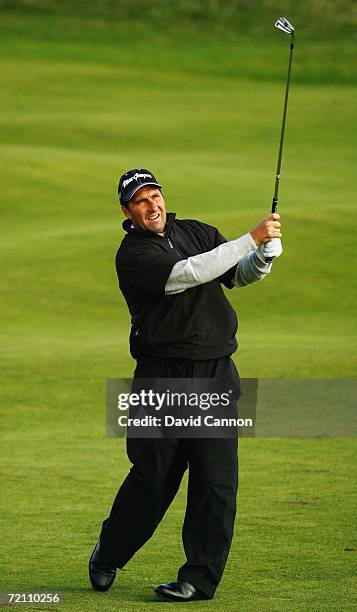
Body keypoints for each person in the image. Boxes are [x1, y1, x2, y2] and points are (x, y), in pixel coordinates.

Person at [89, 168, 282, 602]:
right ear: (127, 211)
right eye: (140, 200)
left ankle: (199, 578)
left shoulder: (196, 231)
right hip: (163, 376)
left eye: (155, 195)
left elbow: (236, 273)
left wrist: (264, 256)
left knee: (217, 479)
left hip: (215, 372)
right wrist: (251, 237)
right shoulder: (133, 256)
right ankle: (109, 552)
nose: (151, 205)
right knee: (154, 477)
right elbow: (188, 273)